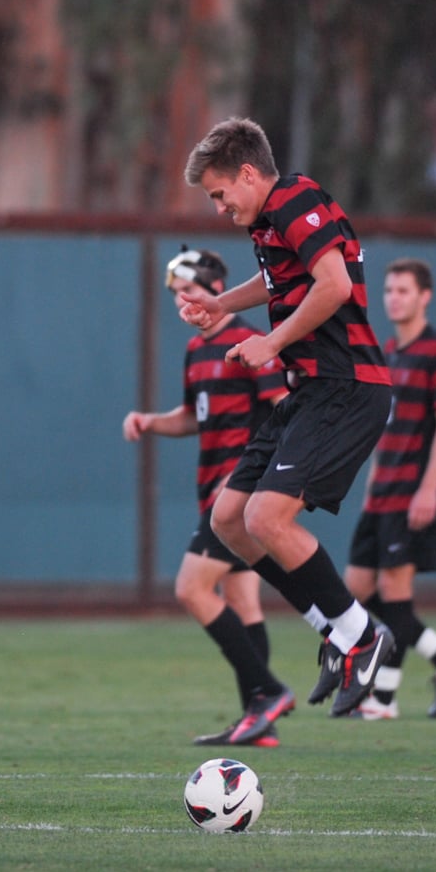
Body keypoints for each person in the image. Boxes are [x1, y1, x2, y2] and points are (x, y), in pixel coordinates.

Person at [180, 116, 394, 746]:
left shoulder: (295, 198)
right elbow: (281, 283)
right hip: (311, 392)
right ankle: (335, 630)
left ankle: (363, 635)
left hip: (348, 386)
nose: (220, 208)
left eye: (221, 194)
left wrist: (269, 342)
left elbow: (332, 286)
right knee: (230, 518)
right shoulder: (270, 220)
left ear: (249, 173)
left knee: (268, 519)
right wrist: (224, 306)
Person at [123, 246, 288, 747]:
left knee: (190, 590)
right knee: (242, 601)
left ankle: (269, 691)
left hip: (239, 499)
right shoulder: (197, 350)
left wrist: (245, 479)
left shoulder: (252, 343)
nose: (183, 305)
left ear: (219, 292)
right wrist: (152, 422)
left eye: (190, 293)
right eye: (175, 296)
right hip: (212, 495)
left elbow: (286, 415)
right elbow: (195, 418)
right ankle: (259, 723)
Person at [335, 257, 436, 720]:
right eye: (389, 290)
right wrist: (370, 486)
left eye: (403, 290)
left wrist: (429, 489)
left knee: (395, 592)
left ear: (424, 296)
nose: (393, 297)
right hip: (382, 494)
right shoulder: (389, 352)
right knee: (355, 590)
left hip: (416, 491)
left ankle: (384, 699)